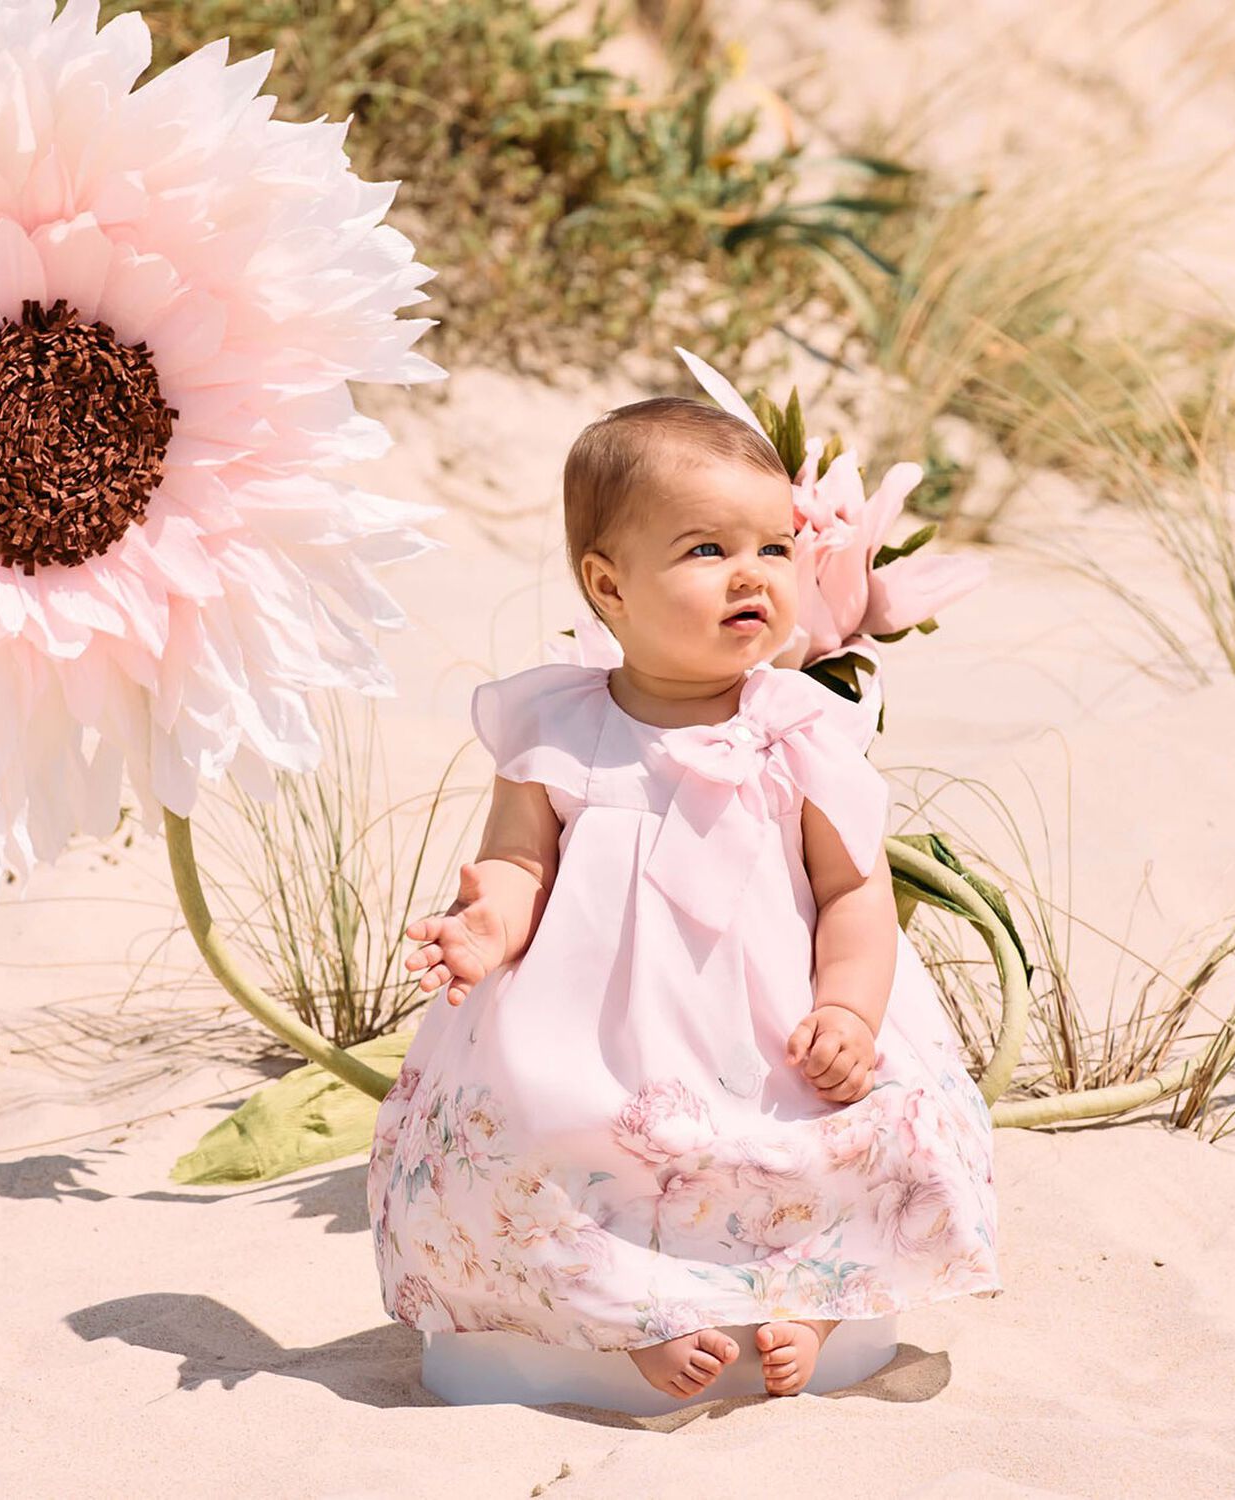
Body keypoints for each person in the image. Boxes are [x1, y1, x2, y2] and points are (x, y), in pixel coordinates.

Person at [367, 395, 1001, 1401]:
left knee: (874, 1135)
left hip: (775, 1031)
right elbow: (519, 861)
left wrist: (849, 1005)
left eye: (778, 547)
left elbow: (852, 890)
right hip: (595, 1029)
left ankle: (819, 1297)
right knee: (524, 1145)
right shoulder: (555, 726)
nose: (755, 572)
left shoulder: (803, 727)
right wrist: (488, 926)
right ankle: (631, 1318)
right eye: (708, 549)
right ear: (608, 585)